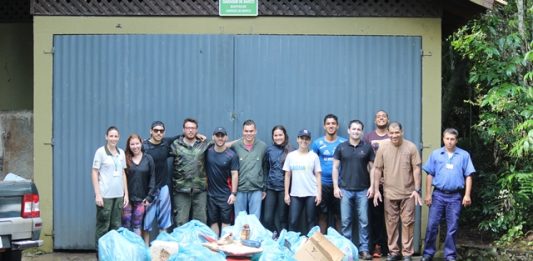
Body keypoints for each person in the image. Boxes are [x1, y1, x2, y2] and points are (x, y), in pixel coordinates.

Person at [420, 128, 475, 261]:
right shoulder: (436, 154)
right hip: (438, 195)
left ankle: (450, 255)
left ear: (456, 140)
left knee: (452, 227)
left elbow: (468, 176)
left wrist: (467, 195)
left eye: (452, 139)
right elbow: (430, 174)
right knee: (432, 225)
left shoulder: (464, 155)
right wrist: (427, 194)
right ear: (443, 139)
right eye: (447, 139)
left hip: (455, 196)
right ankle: (428, 253)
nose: (449, 142)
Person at [373, 122, 422, 261]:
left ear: (402, 132)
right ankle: (394, 252)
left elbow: (416, 169)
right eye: (391, 133)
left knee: (408, 223)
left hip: (408, 193)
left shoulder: (411, 147)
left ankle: (407, 253)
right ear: (388, 133)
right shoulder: (383, 147)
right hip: (389, 193)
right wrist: (377, 190)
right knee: (391, 223)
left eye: (397, 132)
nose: (394, 135)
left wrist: (417, 190)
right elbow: (377, 169)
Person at [332, 120, 375, 260]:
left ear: (361, 132)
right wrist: (336, 187)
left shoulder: (367, 148)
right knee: (346, 222)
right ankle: (347, 249)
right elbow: (335, 168)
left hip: (363, 190)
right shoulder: (341, 147)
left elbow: (372, 169)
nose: (356, 131)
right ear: (348, 130)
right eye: (354, 129)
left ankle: (364, 250)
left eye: (358, 129)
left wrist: (373, 187)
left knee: (364, 221)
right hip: (345, 190)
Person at [91, 126, 129, 249]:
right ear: (106, 137)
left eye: (116, 136)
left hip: (118, 196)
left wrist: (126, 194)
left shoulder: (121, 152)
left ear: (119, 137)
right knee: (103, 226)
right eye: (111, 136)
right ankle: (101, 253)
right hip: (105, 196)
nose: (113, 138)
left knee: (116, 226)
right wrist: (98, 194)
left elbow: (123, 173)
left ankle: (112, 254)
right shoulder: (100, 152)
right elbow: (94, 172)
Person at [170, 118, 211, 226]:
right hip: (181, 190)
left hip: (200, 189)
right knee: (181, 221)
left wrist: (240, 141)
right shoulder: (175, 145)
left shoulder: (204, 144)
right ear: (183, 130)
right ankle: (182, 242)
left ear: (197, 130)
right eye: (188, 128)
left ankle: (199, 243)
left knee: (201, 222)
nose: (190, 130)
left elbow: (221, 146)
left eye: (193, 128)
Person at [311, 114, 346, 233]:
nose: (331, 126)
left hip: (340, 185)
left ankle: (340, 246)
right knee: (322, 215)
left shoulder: (343, 143)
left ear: (337, 126)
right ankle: (322, 245)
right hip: (323, 184)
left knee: (339, 216)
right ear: (324, 126)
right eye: (328, 124)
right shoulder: (317, 143)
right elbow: (312, 163)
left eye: (333, 123)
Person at [283, 129, 322, 234]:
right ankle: (292, 247)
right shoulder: (291, 156)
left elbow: (318, 175)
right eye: (302, 138)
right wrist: (286, 194)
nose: (304, 141)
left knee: (311, 221)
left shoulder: (314, 156)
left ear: (309, 141)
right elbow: (287, 175)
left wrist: (319, 194)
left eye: (307, 139)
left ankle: (311, 247)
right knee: (293, 221)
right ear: (297, 139)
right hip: (295, 194)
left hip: (311, 193)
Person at [122, 134, 157, 245]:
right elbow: (121, 177)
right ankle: (126, 252)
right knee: (126, 224)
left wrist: (149, 197)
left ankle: (136, 252)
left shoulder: (148, 159)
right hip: (127, 199)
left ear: (141, 143)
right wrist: (123, 195)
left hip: (141, 199)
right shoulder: (125, 158)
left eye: (137, 143)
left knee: (137, 225)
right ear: (129, 145)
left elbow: (152, 178)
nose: (135, 146)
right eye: (132, 144)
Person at [364, 110, 390, 258]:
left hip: (391, 183)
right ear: (375, 120)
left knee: (391, 216)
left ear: (387, 119)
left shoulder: (391, 135)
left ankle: (390, 247)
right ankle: (377, 246)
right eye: (378, 117)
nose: (381, 118)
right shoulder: (369, 137)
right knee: (375, 217)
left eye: (383, 116)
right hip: (374, 184)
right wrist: (374, 180)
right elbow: (368, 162)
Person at [142, 121, 175, 239]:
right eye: (156, 130)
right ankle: (146, 250)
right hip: (149, 189)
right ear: (151, 131)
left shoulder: (166, 143)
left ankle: (162, 248)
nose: (158, 133)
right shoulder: (143, 146)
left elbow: (182, 136)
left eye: (161, 131)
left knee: (164, 220)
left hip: (163, 187)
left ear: (164, 132)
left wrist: (197, 135)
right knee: (146, 222)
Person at [205, 127, 239, 237]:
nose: (220, 138)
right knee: (213, 221)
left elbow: (234, 174)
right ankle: (215, 247)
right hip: (211, 195)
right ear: (213, 137)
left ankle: (224, 247)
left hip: (225, 195)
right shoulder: (207, 151)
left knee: (226, 222)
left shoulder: (232, 155)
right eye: (217, 135)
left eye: (222, 136)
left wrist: (233, 194)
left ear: (226, 138)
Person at [263, 125, 292, 234]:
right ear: (272, 137)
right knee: (267, 218)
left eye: (280, 135)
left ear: (285, 135)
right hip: (271, 187)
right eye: (275, 135)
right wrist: (264, 186)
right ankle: (273, 234)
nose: (278, 137)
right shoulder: (269, 150)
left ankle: (282, 239)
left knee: (282, 217)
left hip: (284, 189)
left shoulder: (291, 150)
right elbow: (265, 168)